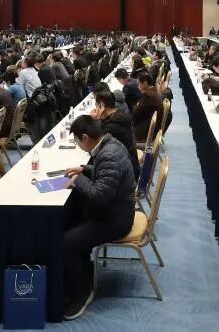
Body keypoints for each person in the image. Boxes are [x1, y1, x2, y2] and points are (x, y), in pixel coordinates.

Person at [62, 115, 136, 320]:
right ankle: (84, 272)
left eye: (77, 140)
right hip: (114, 210)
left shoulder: (108, 154)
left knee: (67, 241)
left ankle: (81, 294)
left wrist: (78, 179)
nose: (78, 145)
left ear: (85, 138)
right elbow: (107, 173)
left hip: (116, 220)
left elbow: (98, 196)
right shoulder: (110, 143)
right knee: (74, 220)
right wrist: (85, 169)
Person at [92, 89, 140, 179]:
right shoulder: (118, 114)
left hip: (127, 173)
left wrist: (94, 120)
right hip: (130, 164)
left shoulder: (111, 127)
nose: (96, 109)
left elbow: (95, 147)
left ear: (101, 106)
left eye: (96, 106)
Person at [131, 71, 166, 143]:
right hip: (153, 125)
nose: (137, 86)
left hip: (148, 130)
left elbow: (135, 113)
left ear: (145, 83)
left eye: (139, 83)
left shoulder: (147, 95)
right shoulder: (153, 90)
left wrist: (135, 106)